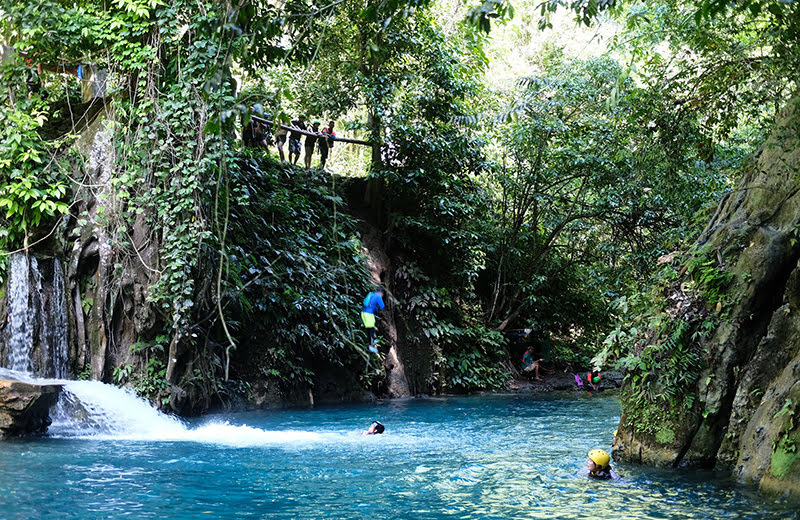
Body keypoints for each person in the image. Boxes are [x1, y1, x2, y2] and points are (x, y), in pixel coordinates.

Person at [361, 287, 386, 353]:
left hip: (363, 313)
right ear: (381, 293)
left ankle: (368, 345)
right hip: (369, 314)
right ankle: (370, 347)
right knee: (371, 330)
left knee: (368, 329)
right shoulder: (378, 296)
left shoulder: (371, 294)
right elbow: (382, 306)